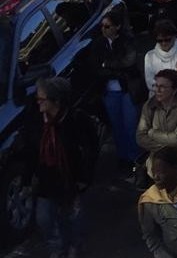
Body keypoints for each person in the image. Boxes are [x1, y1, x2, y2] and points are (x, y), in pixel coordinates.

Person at [21, 76, 100, 258]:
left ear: (56, 101)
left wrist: (85, 177)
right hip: (45, 179)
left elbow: (91, 148)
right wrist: (27, 178)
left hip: (70, 178)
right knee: (44, 218)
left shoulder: (76, 120)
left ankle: (74, 246)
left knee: (71, 216)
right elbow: (30, 151)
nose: (38, 102)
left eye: (42, 99)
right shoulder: (36, 120)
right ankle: (56, 247)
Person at [91, 9, 145, 174]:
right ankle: (124, 158)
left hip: (127, 89)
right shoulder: (98, 44)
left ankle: (136, 158)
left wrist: (107, 65)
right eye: (103, 26)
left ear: (117, 27)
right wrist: (114, 68)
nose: (104, 29)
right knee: (117, 126)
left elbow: (128, 62)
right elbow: (95, 67)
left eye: (108, 26)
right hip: (109, 92)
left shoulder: (127, 41)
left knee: (130, 125)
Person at [136, 70, 177, 180]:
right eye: (156, 85)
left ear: (174, 90)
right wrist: (166, 150)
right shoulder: (149, 105)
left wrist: (152, 133)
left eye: (162, 87)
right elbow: (140, 137)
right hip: (155, 167)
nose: (157, 90)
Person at [144, 19, 177, 99]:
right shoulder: (149, 56)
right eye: (160, 40)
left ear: (174, 36)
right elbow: (150, 82)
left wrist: (164, 87)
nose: (163, 43)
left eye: (167, 39)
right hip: (158, 100)